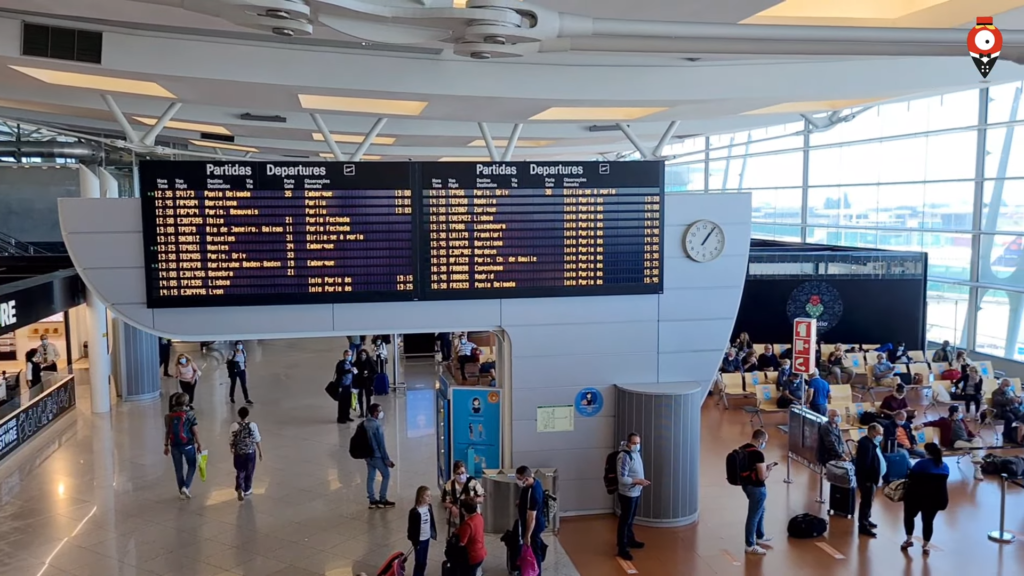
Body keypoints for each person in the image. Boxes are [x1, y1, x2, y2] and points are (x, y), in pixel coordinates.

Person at [901, 443, 950, 555]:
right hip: (935, 499)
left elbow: (911, 477)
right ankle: (926, 546)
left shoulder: (920, 464)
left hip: (916, 497)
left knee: (909, 516)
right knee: (928, 522)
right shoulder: (945, 466)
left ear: (927, 452)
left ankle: (908, 540)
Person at [917, 405, 984, 480]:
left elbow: (968, 431)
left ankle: (976, 458)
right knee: (975, 448)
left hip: (966, 440)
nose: (961, 413)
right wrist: (922, 425)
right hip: (955, 442)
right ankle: (977, 468)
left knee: (977, 440)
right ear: (955, 413)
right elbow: (933, 422)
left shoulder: (961, 421)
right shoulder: (944, 420)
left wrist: (975, 435)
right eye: (960, 411)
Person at [615, 433, 649, 561]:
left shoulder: (635, 454)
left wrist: (639, 482)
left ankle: (630, 539)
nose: (636, 446)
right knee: (625, 520)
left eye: (638, 443)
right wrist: (638, 481)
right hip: (627, 494)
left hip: (635, 492)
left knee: (630, 518)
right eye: (634, 443)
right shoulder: (624, 456)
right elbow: (622, 478)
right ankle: (622, 548)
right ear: (628, 443)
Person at [740, 429, 774, 555]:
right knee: (753, 515)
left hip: (746, 485)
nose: (764, 444)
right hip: (757, 488)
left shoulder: (742, 449)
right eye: (764, 441)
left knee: (761, 509)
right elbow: (762, 476)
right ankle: (750, 545)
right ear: (760, 441)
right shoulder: (758, 454)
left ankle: (760, 535)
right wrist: (768, 469)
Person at [163, 392, 202, 499]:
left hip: (174, 445)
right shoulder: (190, 414)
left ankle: (181, 492)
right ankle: (186, 486)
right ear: (186, 403)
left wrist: (166, 445)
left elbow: (167, 431)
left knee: (178, 469)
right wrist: (199, 444)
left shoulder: (169, 416)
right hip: (188, 444)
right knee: (192, 465)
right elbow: (195, 431)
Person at [514, 466, 548, 574]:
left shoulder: (533, 494)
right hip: (534, 522)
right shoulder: (534, 482)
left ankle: (536, 572)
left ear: (527, 479)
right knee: (532, 548)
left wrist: (527, 536)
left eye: (519, 479)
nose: (517, 481)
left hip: (533, 527)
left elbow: (531, 517)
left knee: (534, 551)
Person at [855, 423, 885, 538]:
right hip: (866, 479)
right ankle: (863, 525)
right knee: (866, 502)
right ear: (873, 432)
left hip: (871, 479)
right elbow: (865, 464)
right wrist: (868, 480)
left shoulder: (871, 443)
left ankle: (867, 518)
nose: (881, 435)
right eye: (879, 433)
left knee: (869, 499)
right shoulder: (865, 444)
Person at [365, 403, 395, 508]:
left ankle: (372, 499)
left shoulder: (364, 424)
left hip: (367, 455)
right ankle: (382, 498)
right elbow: (381, 445)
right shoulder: (377, 426)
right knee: (386, 475)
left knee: (371, 476)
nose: (381, 412)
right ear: (375, 413)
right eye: (380, 411)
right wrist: (387, 460)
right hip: (377, 456)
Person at [229, 406, 262, 501]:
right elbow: (257, 439)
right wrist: (260, 451)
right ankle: (247, 489)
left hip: (238, 452)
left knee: (240, 470)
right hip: (250, 452)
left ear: (238, 415)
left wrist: (231, 448)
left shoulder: (234, 426)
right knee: (249, 471)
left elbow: (231, 439)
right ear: (248, 415)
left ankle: (240, 487)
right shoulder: (253, 425)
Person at [441, 460, 486, 528]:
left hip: (472, 516)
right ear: (454, 474)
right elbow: (444, 501)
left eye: (462, 472)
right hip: (456, 518)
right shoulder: (449, 485)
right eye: (458, 473)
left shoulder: (473, 482)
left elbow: (481, 498)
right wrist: (452, 507)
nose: (460, 475)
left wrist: (471, 503)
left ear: (466, 471)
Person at [406, 486, 437, 576]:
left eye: (430, 496)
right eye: (427, 496)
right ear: (420, 497)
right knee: (419, 562)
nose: (429, 498)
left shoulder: (429, 507)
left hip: (427, 538)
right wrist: (414, 540)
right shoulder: (414, 512)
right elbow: (411, 528)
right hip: (419, 540)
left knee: (424, 562)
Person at [458, 497, 487, 576]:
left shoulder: (468, 524)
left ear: (463, 510)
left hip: (472, 556)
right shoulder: (479, 517)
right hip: (481, 553)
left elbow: (462, 542)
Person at [992, 378, 1024, 445]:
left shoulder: (1010, 391)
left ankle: (1018, 434)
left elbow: (1017, 398)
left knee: (1022, 415)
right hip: (1003, 410)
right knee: (1010, 418)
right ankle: (1006, 435)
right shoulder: (995, 392)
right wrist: (1011, 400)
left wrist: (1019, 401)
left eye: (1009, 386)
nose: (1007, 388)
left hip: (1012, 409)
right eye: (1006, 386)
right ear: (1002, 385)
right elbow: (998, 401)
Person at [333, 349, 357, 423]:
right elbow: (339, 372)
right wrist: (349, 370)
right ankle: (341, 417)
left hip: (349, 386)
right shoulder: (340, 364)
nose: (349, 356)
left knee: (348, 402)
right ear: (344, 355)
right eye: (347, 355)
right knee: (342, 403)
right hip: (342, 386)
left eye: (350, 355)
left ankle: (347, 416)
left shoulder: (351, 363)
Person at [353, 349, 378, 419]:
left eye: (364, 355)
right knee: (360, 397)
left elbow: (375, 371)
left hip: (368, 382)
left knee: (368, 397)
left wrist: (369, 375)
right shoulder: (357, 362)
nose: (362, 356)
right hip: (359, 381)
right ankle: (361, 412)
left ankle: (367, 412)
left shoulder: (369, 361)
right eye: (361, 355)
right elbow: (354, 370)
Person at [227, 340, 252, 405]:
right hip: (234, 371)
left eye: (241, 344)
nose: (240, 345)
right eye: (238, 344)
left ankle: (247, 399)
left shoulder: (243, 352)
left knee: (243, 384)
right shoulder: (232, 353)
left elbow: (245, 360)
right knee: (233, 384)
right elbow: (228, 360)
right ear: (235, 346)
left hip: (242, 370)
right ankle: (232, 396)